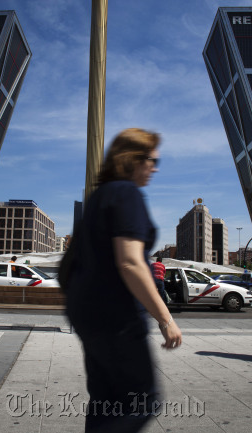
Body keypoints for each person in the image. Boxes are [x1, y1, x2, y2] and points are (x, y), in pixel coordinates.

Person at [65, 128, 182, 433]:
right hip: (118, 317)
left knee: (106, 403)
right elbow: (130, 262)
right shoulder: (127, 193)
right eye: (152, 160)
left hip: (89, 315)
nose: (155, 168)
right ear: (133, 159)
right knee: (141, 403)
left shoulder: (98, 198)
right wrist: (165, 319)